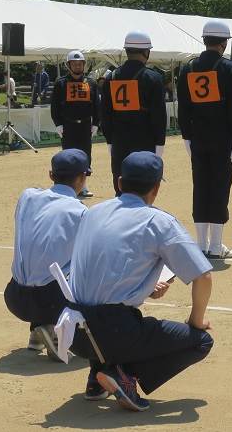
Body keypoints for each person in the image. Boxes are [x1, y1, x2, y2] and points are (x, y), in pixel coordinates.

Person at [67, 152, 213, 410]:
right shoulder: (158, 221)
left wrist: (144, 286)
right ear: (156, 188)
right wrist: (196, 320)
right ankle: (124, 375)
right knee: (201, 341)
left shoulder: (92, 212)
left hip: (71, 331)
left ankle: (98, 376)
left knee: (107, 310)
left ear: (120, 183)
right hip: (112, 330)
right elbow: (203, 276)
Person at [4, 149, 89, 361]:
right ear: (82, 178)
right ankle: (56, 331)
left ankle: (39, 328)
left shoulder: (27, 196)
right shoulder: (81, 212)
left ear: (51, 175)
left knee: (47, 264)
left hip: (14, 297)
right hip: (50, 302)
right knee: (90, 276)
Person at [177, 20, 232, 259]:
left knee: (201, 187)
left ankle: (201, 243)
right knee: (220, 188)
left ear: (204, 40)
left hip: (198, 138)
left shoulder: (189, 68)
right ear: (224, 43)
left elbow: (183, 108)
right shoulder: (230, 69)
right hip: (223, 138)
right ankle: (216, 245)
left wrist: (187, 137)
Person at [100, 31, 167, 196]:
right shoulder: (153, 78)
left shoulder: (111, 77)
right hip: (144, 141)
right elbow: (159, 117)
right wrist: (159, 144)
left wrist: (110, 140)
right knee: (143, 189)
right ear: (146, 52)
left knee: (121, 188)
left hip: (119, 141)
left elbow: (105, 113)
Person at [51, 50, 99, 198]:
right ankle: (67, 186)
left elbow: (97, 105)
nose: (77, 67)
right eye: (74, 64)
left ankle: (83, 186)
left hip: (85, 126)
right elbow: (55, 106)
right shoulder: (61, 83)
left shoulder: (91, 83)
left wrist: (96, 123)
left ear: (84, 65)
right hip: (68, 126)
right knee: (68, 156)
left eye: (80, 64)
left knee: (85, 156)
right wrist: (58, 124)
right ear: (69, 65)